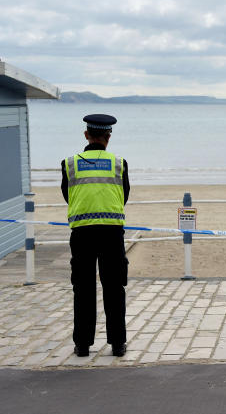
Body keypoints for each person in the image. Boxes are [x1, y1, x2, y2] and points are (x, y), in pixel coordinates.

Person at [61, 114, 130, 357]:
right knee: (114, 288)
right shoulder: (119, 163)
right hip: (112, 233)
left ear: (86, 135)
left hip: (81, 233)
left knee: (83, 288)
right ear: (108, 137)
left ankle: (82, 345)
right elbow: (124, 195)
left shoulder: (69, 163)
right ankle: (118, 344)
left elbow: (67, 195)